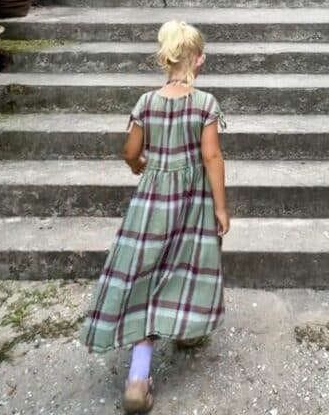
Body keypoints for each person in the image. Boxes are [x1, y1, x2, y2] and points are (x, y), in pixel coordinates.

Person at [81, 21, 228, 413]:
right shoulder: (205, 103)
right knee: (187, 264)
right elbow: (211, 156)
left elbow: (130, 150)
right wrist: (220, 206)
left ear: (165, 59)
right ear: (198, 60)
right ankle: (186, 327)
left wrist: (139, 165)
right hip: (192, 200)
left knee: (145, 271)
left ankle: (138, 376)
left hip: (151, 203)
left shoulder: (146, 102)